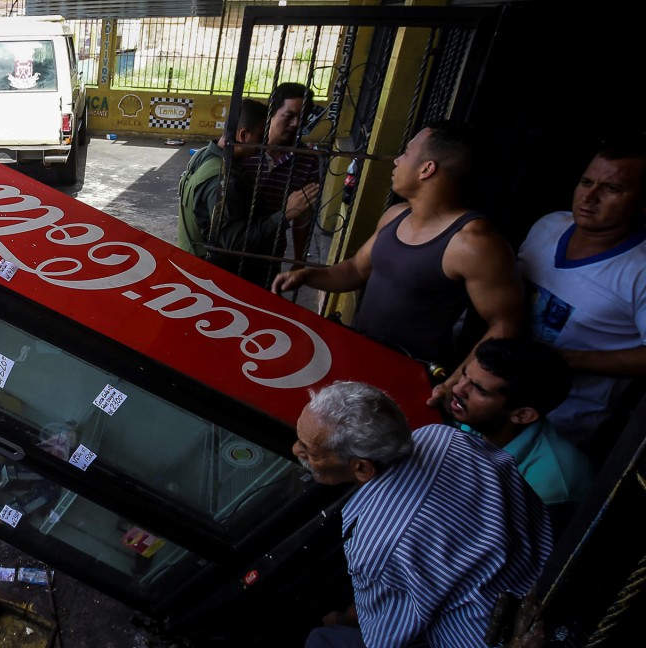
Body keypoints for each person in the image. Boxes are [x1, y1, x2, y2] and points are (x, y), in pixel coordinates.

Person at [292, 381, 552, 648]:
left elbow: (384, 641)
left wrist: (337, 618)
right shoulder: (447, 437)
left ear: (362, 469)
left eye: (309, 451)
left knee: (323, 643)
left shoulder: (373, 547)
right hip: (553, 591)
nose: (296, 450)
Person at [272, 121, 524, 407]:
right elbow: (355, 269)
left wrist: (455, 382)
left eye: (406, 153)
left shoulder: (474, 243)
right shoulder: (396, 215)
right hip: (356, 358)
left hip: (408, 378)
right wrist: (307, 276)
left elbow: (504, 325)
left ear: (427, 169)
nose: (397, 160)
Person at [516, 135, 646, 450]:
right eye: (586, 182)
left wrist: (569, 359)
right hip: (491, 405)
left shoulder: (640, 270)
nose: (590, 197)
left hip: (559, 431)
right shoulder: (549, 225)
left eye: (612, 188)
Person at [447, 337, 596, 522]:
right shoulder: (480, 419)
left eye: (479, 390)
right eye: (464, 375)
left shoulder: (546, 488)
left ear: (523, 415)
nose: (458, 389)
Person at [177, 98, 318, 287]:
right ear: (243, 135)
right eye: (260, 136)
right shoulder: (225, 180)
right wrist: (285, 214)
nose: (264, 143)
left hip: (194, 266)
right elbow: (234, 244)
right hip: (211, 278)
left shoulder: (204, 155)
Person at [240, 82, 322, 287]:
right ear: (272, 114)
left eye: (301, 118)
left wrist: (298, 261)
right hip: (233, 244)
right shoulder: (246, 146)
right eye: (289, 116)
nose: (295, 123)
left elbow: (304, 212)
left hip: (270, 253)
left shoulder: (307, 159)